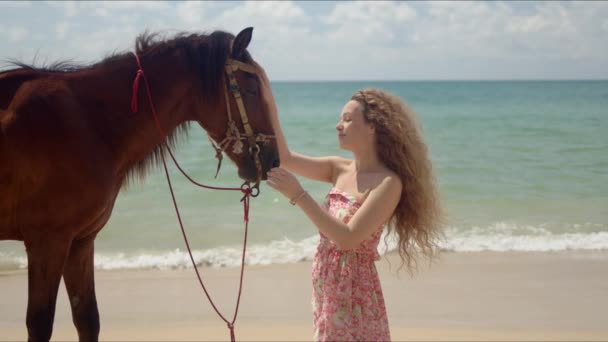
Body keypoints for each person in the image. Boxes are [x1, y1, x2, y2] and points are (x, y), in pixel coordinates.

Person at [256, 64, 443, 341]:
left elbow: (348, 239)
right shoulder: (339, 168)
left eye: (347, 119)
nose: (338, 125)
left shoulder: (389, 183)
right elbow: (284, 156)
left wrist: (298, 195)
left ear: (372, 127)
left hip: (355, 291)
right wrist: (268, 102)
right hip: (327, 281)